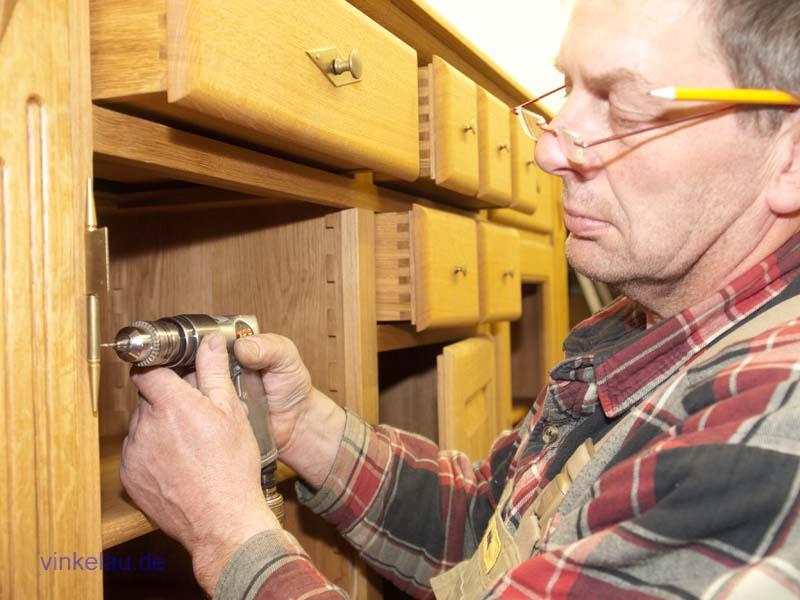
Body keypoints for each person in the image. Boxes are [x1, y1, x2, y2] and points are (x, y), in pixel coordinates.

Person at [119, 0, 800, 597]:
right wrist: (304, 431)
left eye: (623, 105)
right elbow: (493, 533)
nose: (550, 153)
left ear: (790, 158)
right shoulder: (652, 328)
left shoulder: (769, 430)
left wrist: (227, 535)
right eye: (568, 89)